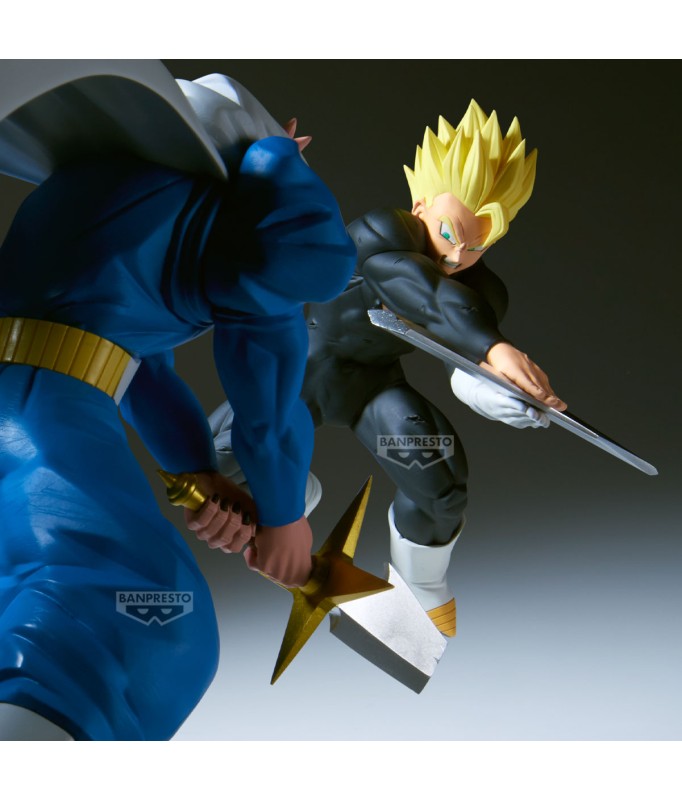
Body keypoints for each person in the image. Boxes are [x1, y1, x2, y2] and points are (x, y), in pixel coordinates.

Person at [0, 69, 356, 740]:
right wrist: (284, 520)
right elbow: (265, 392)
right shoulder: (249, 222)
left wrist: (200, 474)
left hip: (29, 398)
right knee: (144, 620)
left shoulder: (109, 193)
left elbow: (139, 370)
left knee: (24, 597)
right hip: (34, 411)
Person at [205, 100, 566, 640]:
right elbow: (424, 294)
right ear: (421, 203)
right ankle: (286, 496)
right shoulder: (381, 234)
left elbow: (459, 366)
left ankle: (419, 588)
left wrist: (505, 396)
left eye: (479, 244)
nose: (458, 256)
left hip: (372, 388)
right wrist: (495, 349)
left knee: (440, 482)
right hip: (302, 369)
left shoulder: (481, 290)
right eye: (450, 233)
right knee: (211, 458)